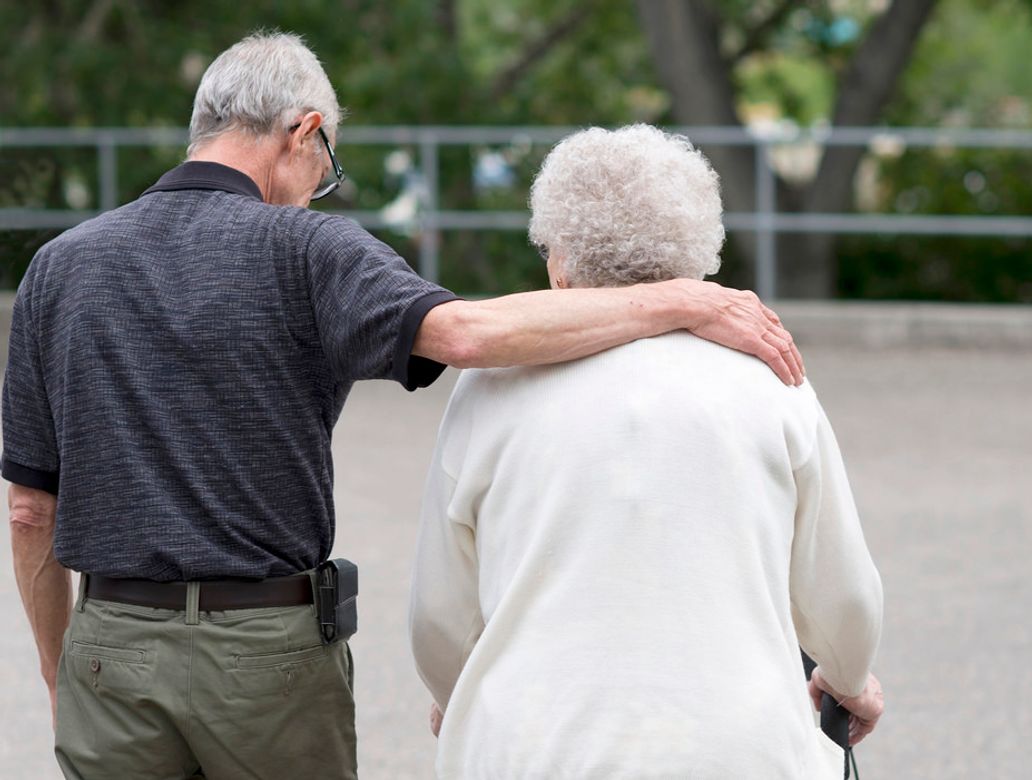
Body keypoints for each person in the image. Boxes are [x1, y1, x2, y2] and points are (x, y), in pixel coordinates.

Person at [2, 34, 803, 780]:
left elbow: (32, 510)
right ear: (303, 131)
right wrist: (681, 299)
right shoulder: (309, 249)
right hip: (263, 651)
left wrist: (62, 665)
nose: (319, 189)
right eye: (327, 165)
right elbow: (467, 334)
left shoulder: (60, 267)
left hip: (109, 647)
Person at [409, 124, 883, 778]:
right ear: (700, 249)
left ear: (560, 261)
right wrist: (849, 676)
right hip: (736, 748)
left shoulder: (490, 390)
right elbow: (842, 595)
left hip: (537, 746)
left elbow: (440, 614)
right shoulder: (771, 376)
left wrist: (455, 692)